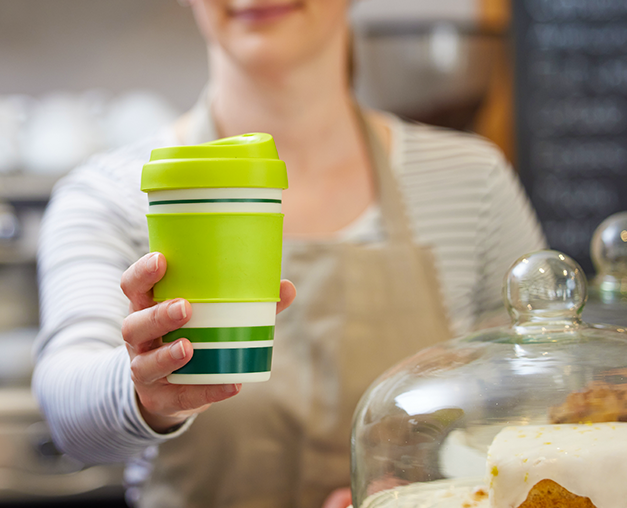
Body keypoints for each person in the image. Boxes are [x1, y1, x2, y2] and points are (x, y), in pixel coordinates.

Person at [32, 1, 546, 507]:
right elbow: (68, 414)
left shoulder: (472, 181)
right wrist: (142, 392)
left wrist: (432, 487)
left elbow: (537, 400)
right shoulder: (115, 194)